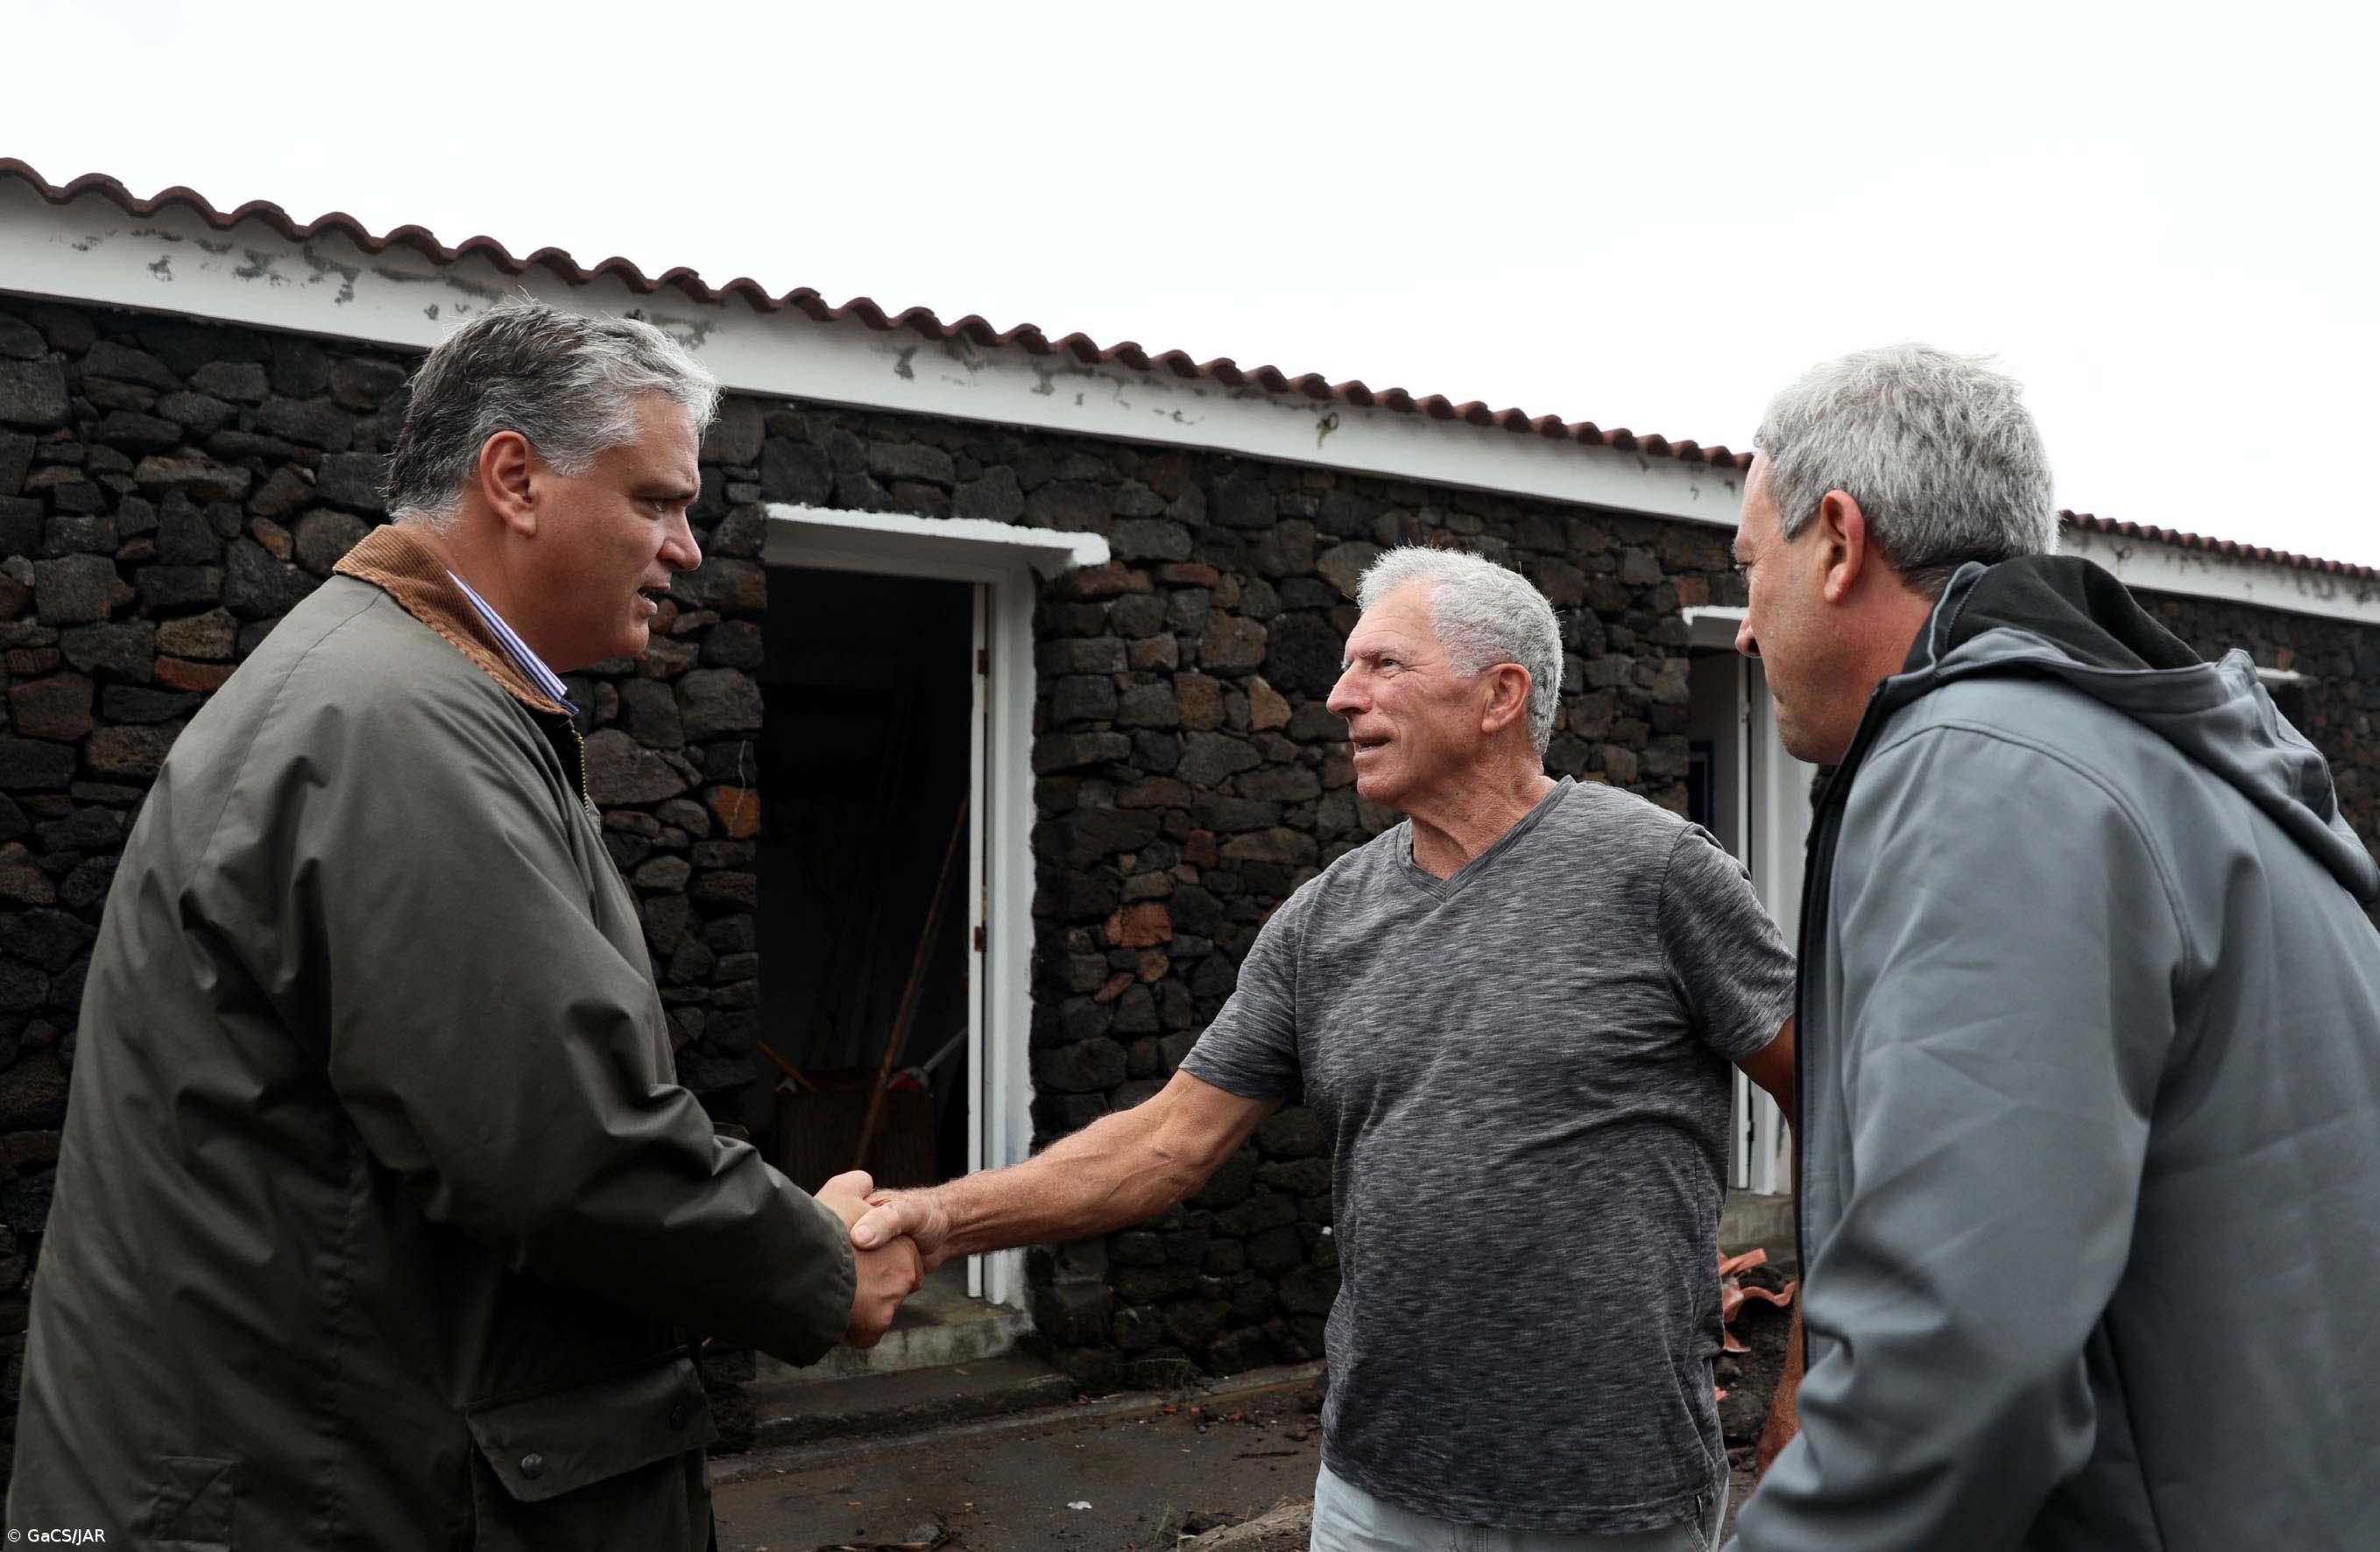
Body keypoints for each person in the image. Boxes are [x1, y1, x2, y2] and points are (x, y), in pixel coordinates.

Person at [8, 302, 922, 1548]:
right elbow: (562, 1147)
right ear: (515, 478)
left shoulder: (401, 692)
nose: (687, 549)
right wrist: (818, 1267)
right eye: (657, 501)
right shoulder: (397, 727)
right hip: (332, 1495)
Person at [852, 547, 1797, 1550]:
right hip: (1373, 1494)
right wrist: (940, 1217)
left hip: (1612, 1498)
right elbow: (1163, 1143)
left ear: (1498, 695)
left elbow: (1834, 1106)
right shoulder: (1321, 923)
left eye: (1382, 665)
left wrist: (1808, 1381)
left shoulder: (1653, 873)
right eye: (1348, 667)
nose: (1341, 696)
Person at [1724, 344, 2380, 1549]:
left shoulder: (1984, 771)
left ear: (1836, 540)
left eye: (1747, 569)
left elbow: (1956, 1356)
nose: (1742, 633)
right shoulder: (2181, 763)